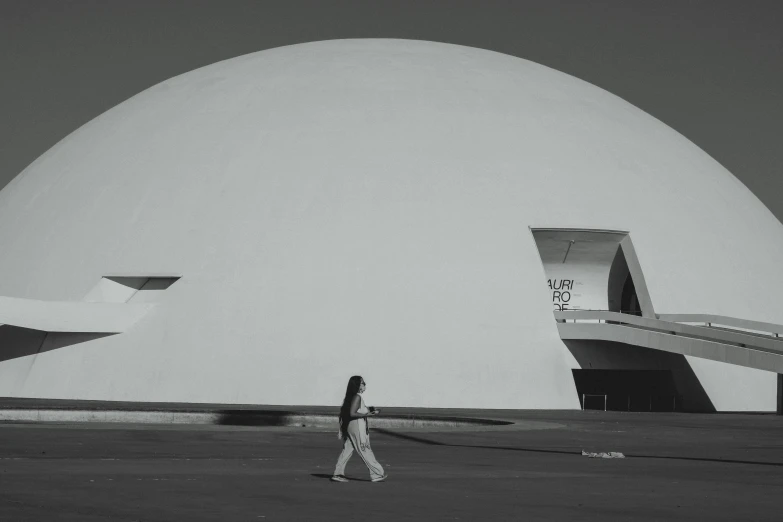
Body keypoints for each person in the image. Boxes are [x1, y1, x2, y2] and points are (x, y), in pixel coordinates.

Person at [331, 375, 387, 482]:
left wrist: (371, 409)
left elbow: (358, 409)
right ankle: (377, 473)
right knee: (365, 449)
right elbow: (353, 413)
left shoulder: (352, 397)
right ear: (357, 385)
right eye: (362, 383)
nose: (364, 385)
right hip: (357, 427)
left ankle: (338, 473)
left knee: (347, 450)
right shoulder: (357, 397)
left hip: (352, 426)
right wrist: (370, 414)